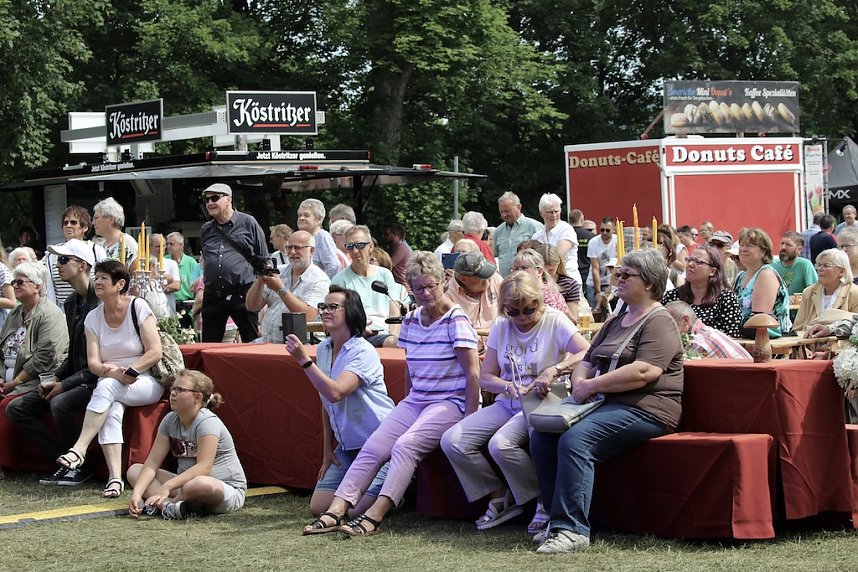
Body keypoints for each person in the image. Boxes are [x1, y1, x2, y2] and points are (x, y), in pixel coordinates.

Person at [302, 252, 480, 537]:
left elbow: (473, 373)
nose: (425, 293)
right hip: (417, 400)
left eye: (431, 285)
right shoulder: (410, 320)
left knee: (405, 445)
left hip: (450, 402)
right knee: (374, 446)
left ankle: (374, 516)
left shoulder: (456, 320)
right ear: (410, 288)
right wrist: (407, 404)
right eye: (418, 287)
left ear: (443, 283)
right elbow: (411, 368)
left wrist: (470, 417)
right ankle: (336, 510)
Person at [530, 248, 683, 554]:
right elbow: (586, 359)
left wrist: (592, 385)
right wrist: (580, 384)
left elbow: (644, 371)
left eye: (627, 274)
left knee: (576, 440)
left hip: (647, 408)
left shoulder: (660, 321)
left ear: (650, 284)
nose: (619, 278)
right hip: (604, 404)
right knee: (543, 435)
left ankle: (572, 530)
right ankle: (555, 517)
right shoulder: (617, 319)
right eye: (618, 273)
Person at [441, 271, 589, 534]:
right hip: (509, 399)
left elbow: (587, 350)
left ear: (540, 303)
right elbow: (486, 377)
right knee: (453, 441)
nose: (521, 317)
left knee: (501, 444)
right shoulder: (501, 325)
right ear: (504, 308)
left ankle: (543, 499)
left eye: (529, 310)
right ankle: (500, 494)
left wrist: (554, 369)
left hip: (541, 401)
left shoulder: (555, 321)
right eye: (514, 311)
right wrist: (507, 386)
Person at [56, 260, 164, 498]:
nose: (98, 282)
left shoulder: (138, 307)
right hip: (112, 380)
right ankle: (115, 479)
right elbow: (93, 363)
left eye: (104, 278)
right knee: (112, 408)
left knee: (107, 388)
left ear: (120, 284)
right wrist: (113, 372)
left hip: (144, 381)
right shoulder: (92, 318)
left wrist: (130, 371)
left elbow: (155, 351)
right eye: (98, 277)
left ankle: (79, 448)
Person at [285, 286, 395, 520]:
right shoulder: (324, 348)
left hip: (378, 444)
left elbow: (337, 393)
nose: (325, 311)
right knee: (319, 507)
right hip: (347, 447)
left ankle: (399, 486)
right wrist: (327, 450)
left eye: (333, 307)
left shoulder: (362, 351)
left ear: (351, 312)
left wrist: (304, 360)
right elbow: (326, 401)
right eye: (323, 306)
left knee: (355, 510)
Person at [5, 240, 100, 486]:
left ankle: (81, 465)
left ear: (82, 265)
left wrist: (62, 383)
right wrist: (56, 378)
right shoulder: (71, 302)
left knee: (59, 402)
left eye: (63, 260)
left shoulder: (99, 301)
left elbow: (96, 361)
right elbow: (72, 354)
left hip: (98, 377)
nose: (57, 265)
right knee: (16, 408)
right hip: (76, 376)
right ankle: (64, 459)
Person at [128, 370, 247, 520]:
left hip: (224, 490)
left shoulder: (207, 421)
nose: (172, 393)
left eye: (180, 390)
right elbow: (152, 462)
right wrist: (137, 494)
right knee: (135, 470)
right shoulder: (170, 420)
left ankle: (166, 504)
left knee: (197, 484)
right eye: (173, 388)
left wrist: (167, 486)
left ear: (197, 397)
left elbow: (204, 467)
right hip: (184, 486)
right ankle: (168, 506)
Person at [199, 183, 269, 343]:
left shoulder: (248, 223)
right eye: (207, 199)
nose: (209, 203)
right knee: (209, 346)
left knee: (250, 343)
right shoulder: (206, 229)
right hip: (213, 295)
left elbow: (263, 258)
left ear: (228, 199)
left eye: (215, 198)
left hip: (243, 294)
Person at [246, 230, 330, 343]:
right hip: (267, 341)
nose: (292, 252)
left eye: (297, 248)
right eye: (289, 248)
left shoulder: (320, 279)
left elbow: (307, 315)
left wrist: (280, 289)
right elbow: (252, 307)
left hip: (300, 346)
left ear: (311, 250)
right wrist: (260, 280)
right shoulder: (279, 271)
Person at [0, 262, 68, 400]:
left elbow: (45, 358)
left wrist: (14, 383)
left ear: (37, 286)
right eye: (14, 282)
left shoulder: (49, 314)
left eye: (20, 282)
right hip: (7, 381)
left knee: (6, 408)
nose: (14, 286)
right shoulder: (15, 313)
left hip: (33, 381)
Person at [331, 226, 406, 348]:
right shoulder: (339, 280)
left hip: (387, 334)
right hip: (357, 336)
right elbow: (337, 315)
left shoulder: (385, 274)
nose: (355, 251)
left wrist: (393, 336)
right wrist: (357, 328)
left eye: (360, 245)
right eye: (350, 246)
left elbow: (394, 309)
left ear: (370, 247)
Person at [661, 245, 742, 337]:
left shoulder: (727, 299)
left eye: (698, 262)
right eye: (689, 260)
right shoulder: (672, 296)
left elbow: (732, 336)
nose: (690, 264)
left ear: (712, 271)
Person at [43, 205, 107, 308]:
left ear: (85, 227)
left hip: (90, 307)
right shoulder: (51, 254)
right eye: (65, 223)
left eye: (73, 222)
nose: (68, 226)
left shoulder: (96, 251)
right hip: (61, 309)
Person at [734, 228, 791, 338]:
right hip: (744, 336)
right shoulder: (741, 276)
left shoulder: (766, 274)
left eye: (750, 246)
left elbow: (759, 320)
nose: (743, 249)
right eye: (742, 245)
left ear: (763, 252)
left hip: (769, 340)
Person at [792, 248, 858, 332]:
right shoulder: (808, 292)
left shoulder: (854, 293)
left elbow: (855, 329)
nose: (820, 269)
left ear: (841, 271)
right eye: (819, 265)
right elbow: (797, 328)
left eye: (826, 266)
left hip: (840, 344)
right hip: (809, 343)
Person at [666, 301, 751, 359]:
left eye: (669, 323)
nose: (664, 329)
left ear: (685, 320)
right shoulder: (707, 332)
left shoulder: (698, 343)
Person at [444, 251, 503, 335]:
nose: (487, 280)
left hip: (498, 344)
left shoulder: (495, 279)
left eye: (487, 273)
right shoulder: (447, 295)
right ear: (463, 279)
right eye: (481, 277)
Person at [530, 193, 582, 286]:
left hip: (568, 281)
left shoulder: (567, 230)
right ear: (541, 213)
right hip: (545, 283)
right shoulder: (536, 236)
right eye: (550, 212)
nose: (554, 215)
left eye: (556, 211)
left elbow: (556, 257)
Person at [513, 249, 574, 320]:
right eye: (516, 269)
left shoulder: (548, 296)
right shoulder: (521, 293)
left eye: (524, 268)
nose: (519, 272)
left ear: (539, 271)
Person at [493, 192, 543, 277]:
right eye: (501, 212)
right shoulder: (498, 231)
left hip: (528, 282)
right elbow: (495, 255)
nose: (504, 215)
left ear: (519, 207)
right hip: (505, 282)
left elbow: (542, 255)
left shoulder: (534, 226)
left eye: (507, 211)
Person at [534, 243, 581, 321]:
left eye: (551, 270)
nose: (547, 273)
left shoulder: (569, 284)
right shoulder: (530, 284)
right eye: (543, 270)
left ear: (558, 265)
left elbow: (572, 319)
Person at [297, 198, 340, 279]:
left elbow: (333, 266)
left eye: (306, 215)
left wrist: (325, 286)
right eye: (299, 215)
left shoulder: (322, 237)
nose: (301, 218)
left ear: (319, 219)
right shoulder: (302, 237)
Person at [92, 197, 138, 268]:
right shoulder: (99, 246)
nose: (93, 223)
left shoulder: (127, 243)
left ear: (110, 220)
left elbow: (135, 273)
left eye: (96, 218)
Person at [165, 231, 201, 318]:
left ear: (181, 245)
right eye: (167, 244)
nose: (168, 246)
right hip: (169, 303)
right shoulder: (164, 260)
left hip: (187, 304)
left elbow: (197, 285)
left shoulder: (191, 262)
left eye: (171, 244)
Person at [771, 231, 818, 295]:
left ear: (799, 249)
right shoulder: (772, 266)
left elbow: (815, 291)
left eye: (788, 245)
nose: (783, 247)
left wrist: (796, 297)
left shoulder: (805, 265)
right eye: (782, 243)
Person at [585, 217, 617, 308]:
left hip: (610, 281)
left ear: (613, 230)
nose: (604, 233)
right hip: (593, 282)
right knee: (594, 310)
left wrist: (612, 285)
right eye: (602, 230)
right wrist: (598, 292)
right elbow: (595, 268)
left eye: (607, 230)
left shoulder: (617, 241)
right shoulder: (593, 242)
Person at [149, 234, 181, 316]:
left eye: (163, 246)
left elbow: (176, 286)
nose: (161, 249)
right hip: (150, 310)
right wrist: (163, 278)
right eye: (157, 246)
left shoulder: (171, 263)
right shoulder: (144, 264)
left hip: (168, 311)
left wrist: (156, 289)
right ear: (150, 247)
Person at [382, 223, 413, 287]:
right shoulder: (397, 247)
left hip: (403, 287)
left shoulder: (401, 248)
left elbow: (389, 265)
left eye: (387, 234)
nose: (384, 236)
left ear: (394, 235)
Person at [570, 209, 595, 287]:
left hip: (570, 272)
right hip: (587, 273)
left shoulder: (566, 235)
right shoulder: (590, 236)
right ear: (582, 219)